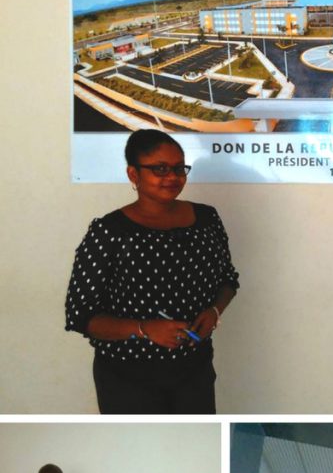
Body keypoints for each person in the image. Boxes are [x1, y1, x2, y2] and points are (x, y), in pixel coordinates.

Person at [65, 129, 239, 414]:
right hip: (128, 376)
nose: (172, 177)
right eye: (159, 169)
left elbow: (228, 280)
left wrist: (215, 312)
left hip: (194, 371)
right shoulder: (109, 231)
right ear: (133, 174)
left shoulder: (207, 219)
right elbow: (81, 315)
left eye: (178, 168)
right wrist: (145, 329)